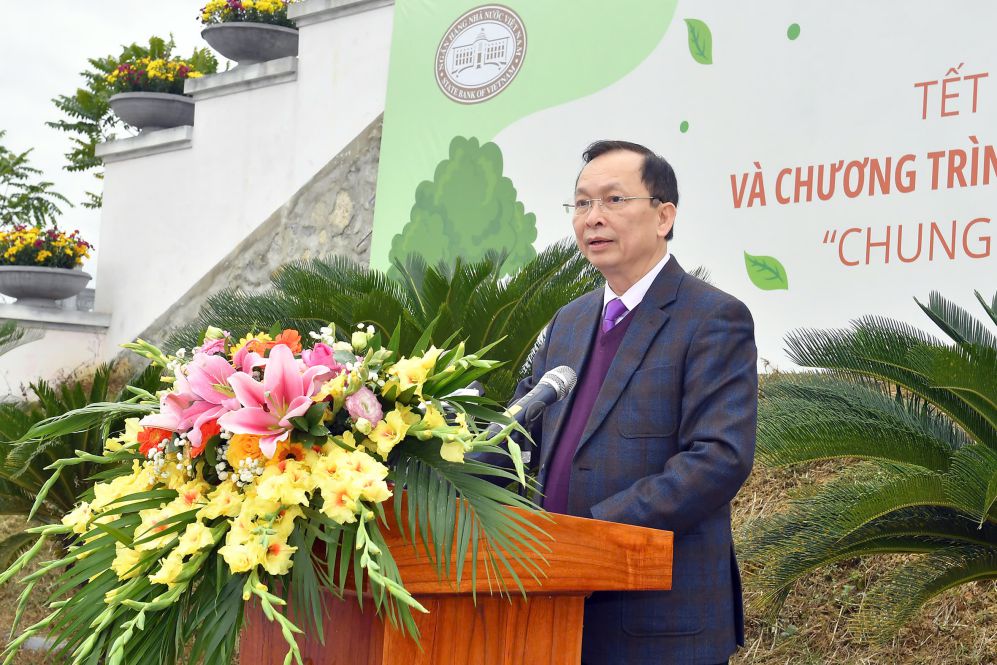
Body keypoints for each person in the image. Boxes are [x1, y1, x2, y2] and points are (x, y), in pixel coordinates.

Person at [512, 140, 757, 664]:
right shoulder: (568, 322)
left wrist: (593, 534)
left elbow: (718, 458)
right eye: (581, 204)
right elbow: (516, 434)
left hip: (657, 620)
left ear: (664, 216)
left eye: (613, 201)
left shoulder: (712, 318)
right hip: (551, 607)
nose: (592, 218)